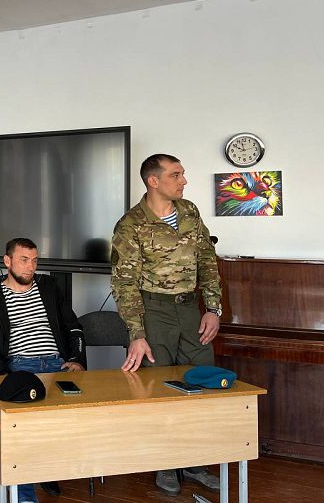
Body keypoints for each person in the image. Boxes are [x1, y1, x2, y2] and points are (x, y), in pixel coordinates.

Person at [111, 153, 222, 496]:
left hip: (190, 310)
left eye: (182, 174)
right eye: (176, 175)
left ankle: (194, 461)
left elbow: (207, 259)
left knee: (201, 380)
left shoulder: (189, 212)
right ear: (153, 181)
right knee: (158, 386)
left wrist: (213, 308)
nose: (183, 180)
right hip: (153, 311)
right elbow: (124, 283)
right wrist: (137, 333)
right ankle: (165, 463)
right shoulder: (130, 225)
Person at [0, 237, 85, 503]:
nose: (30, 267)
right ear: (7, 261)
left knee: (80, 415)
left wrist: (77, 359)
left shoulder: (49, 287)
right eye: (24, 260)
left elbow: (73, 326)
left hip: (58, 365)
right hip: (19, 368)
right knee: (15, 428)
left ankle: (46, 468)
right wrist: (4, 378)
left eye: (34, 261)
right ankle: (24, 497)